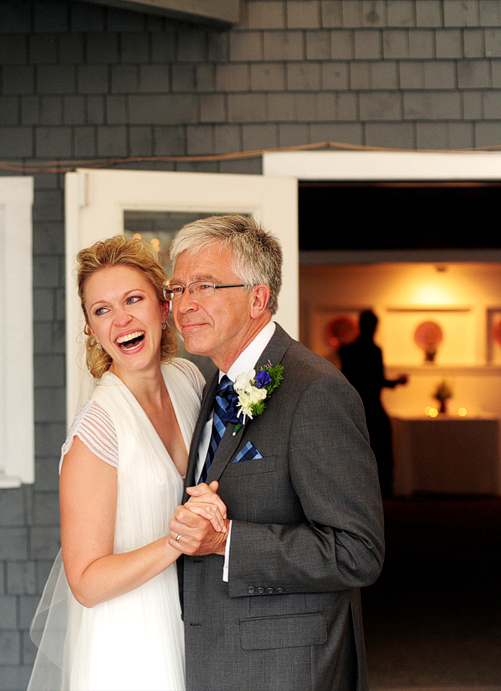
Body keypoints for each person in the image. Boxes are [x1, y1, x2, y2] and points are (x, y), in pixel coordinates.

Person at [166, 215, 385, 690]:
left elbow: (358, 552)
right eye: (177, 289)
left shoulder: (317, 391)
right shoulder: (212, 387)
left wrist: (228, 542)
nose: (184, 305)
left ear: (258, 298)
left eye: (204, 286)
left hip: (285, 670)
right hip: (214, 657)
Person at [27, 236, 224, 690]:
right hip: (132, 639)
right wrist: (179, 540)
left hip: (192, 618)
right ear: (91, 330)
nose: (121, 320)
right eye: (101, 310)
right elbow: (87, 583)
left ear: (163, 305)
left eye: (133, 299)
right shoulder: (97, 431)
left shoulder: (188, 379)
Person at [338, 309, 408, 497]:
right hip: (371, 406)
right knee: (381, 445)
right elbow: (377, 380)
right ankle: (383, 487)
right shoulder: (373, 351)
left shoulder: (348, 351)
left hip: (354, 406)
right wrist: (396, 382)